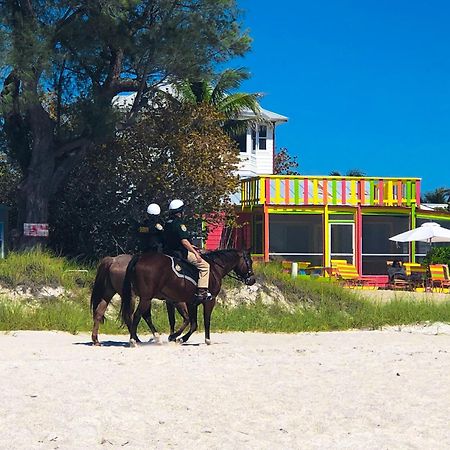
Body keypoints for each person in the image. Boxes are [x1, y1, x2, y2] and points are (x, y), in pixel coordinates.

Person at [163, 199, 212, 303]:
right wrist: (196, 253)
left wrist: (192, 246)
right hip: (180, 253)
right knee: (205, 266)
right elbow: (184, 241)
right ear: (180, 212)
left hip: (167, 252)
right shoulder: (179, 224)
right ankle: (202, 291)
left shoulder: (166, 223)